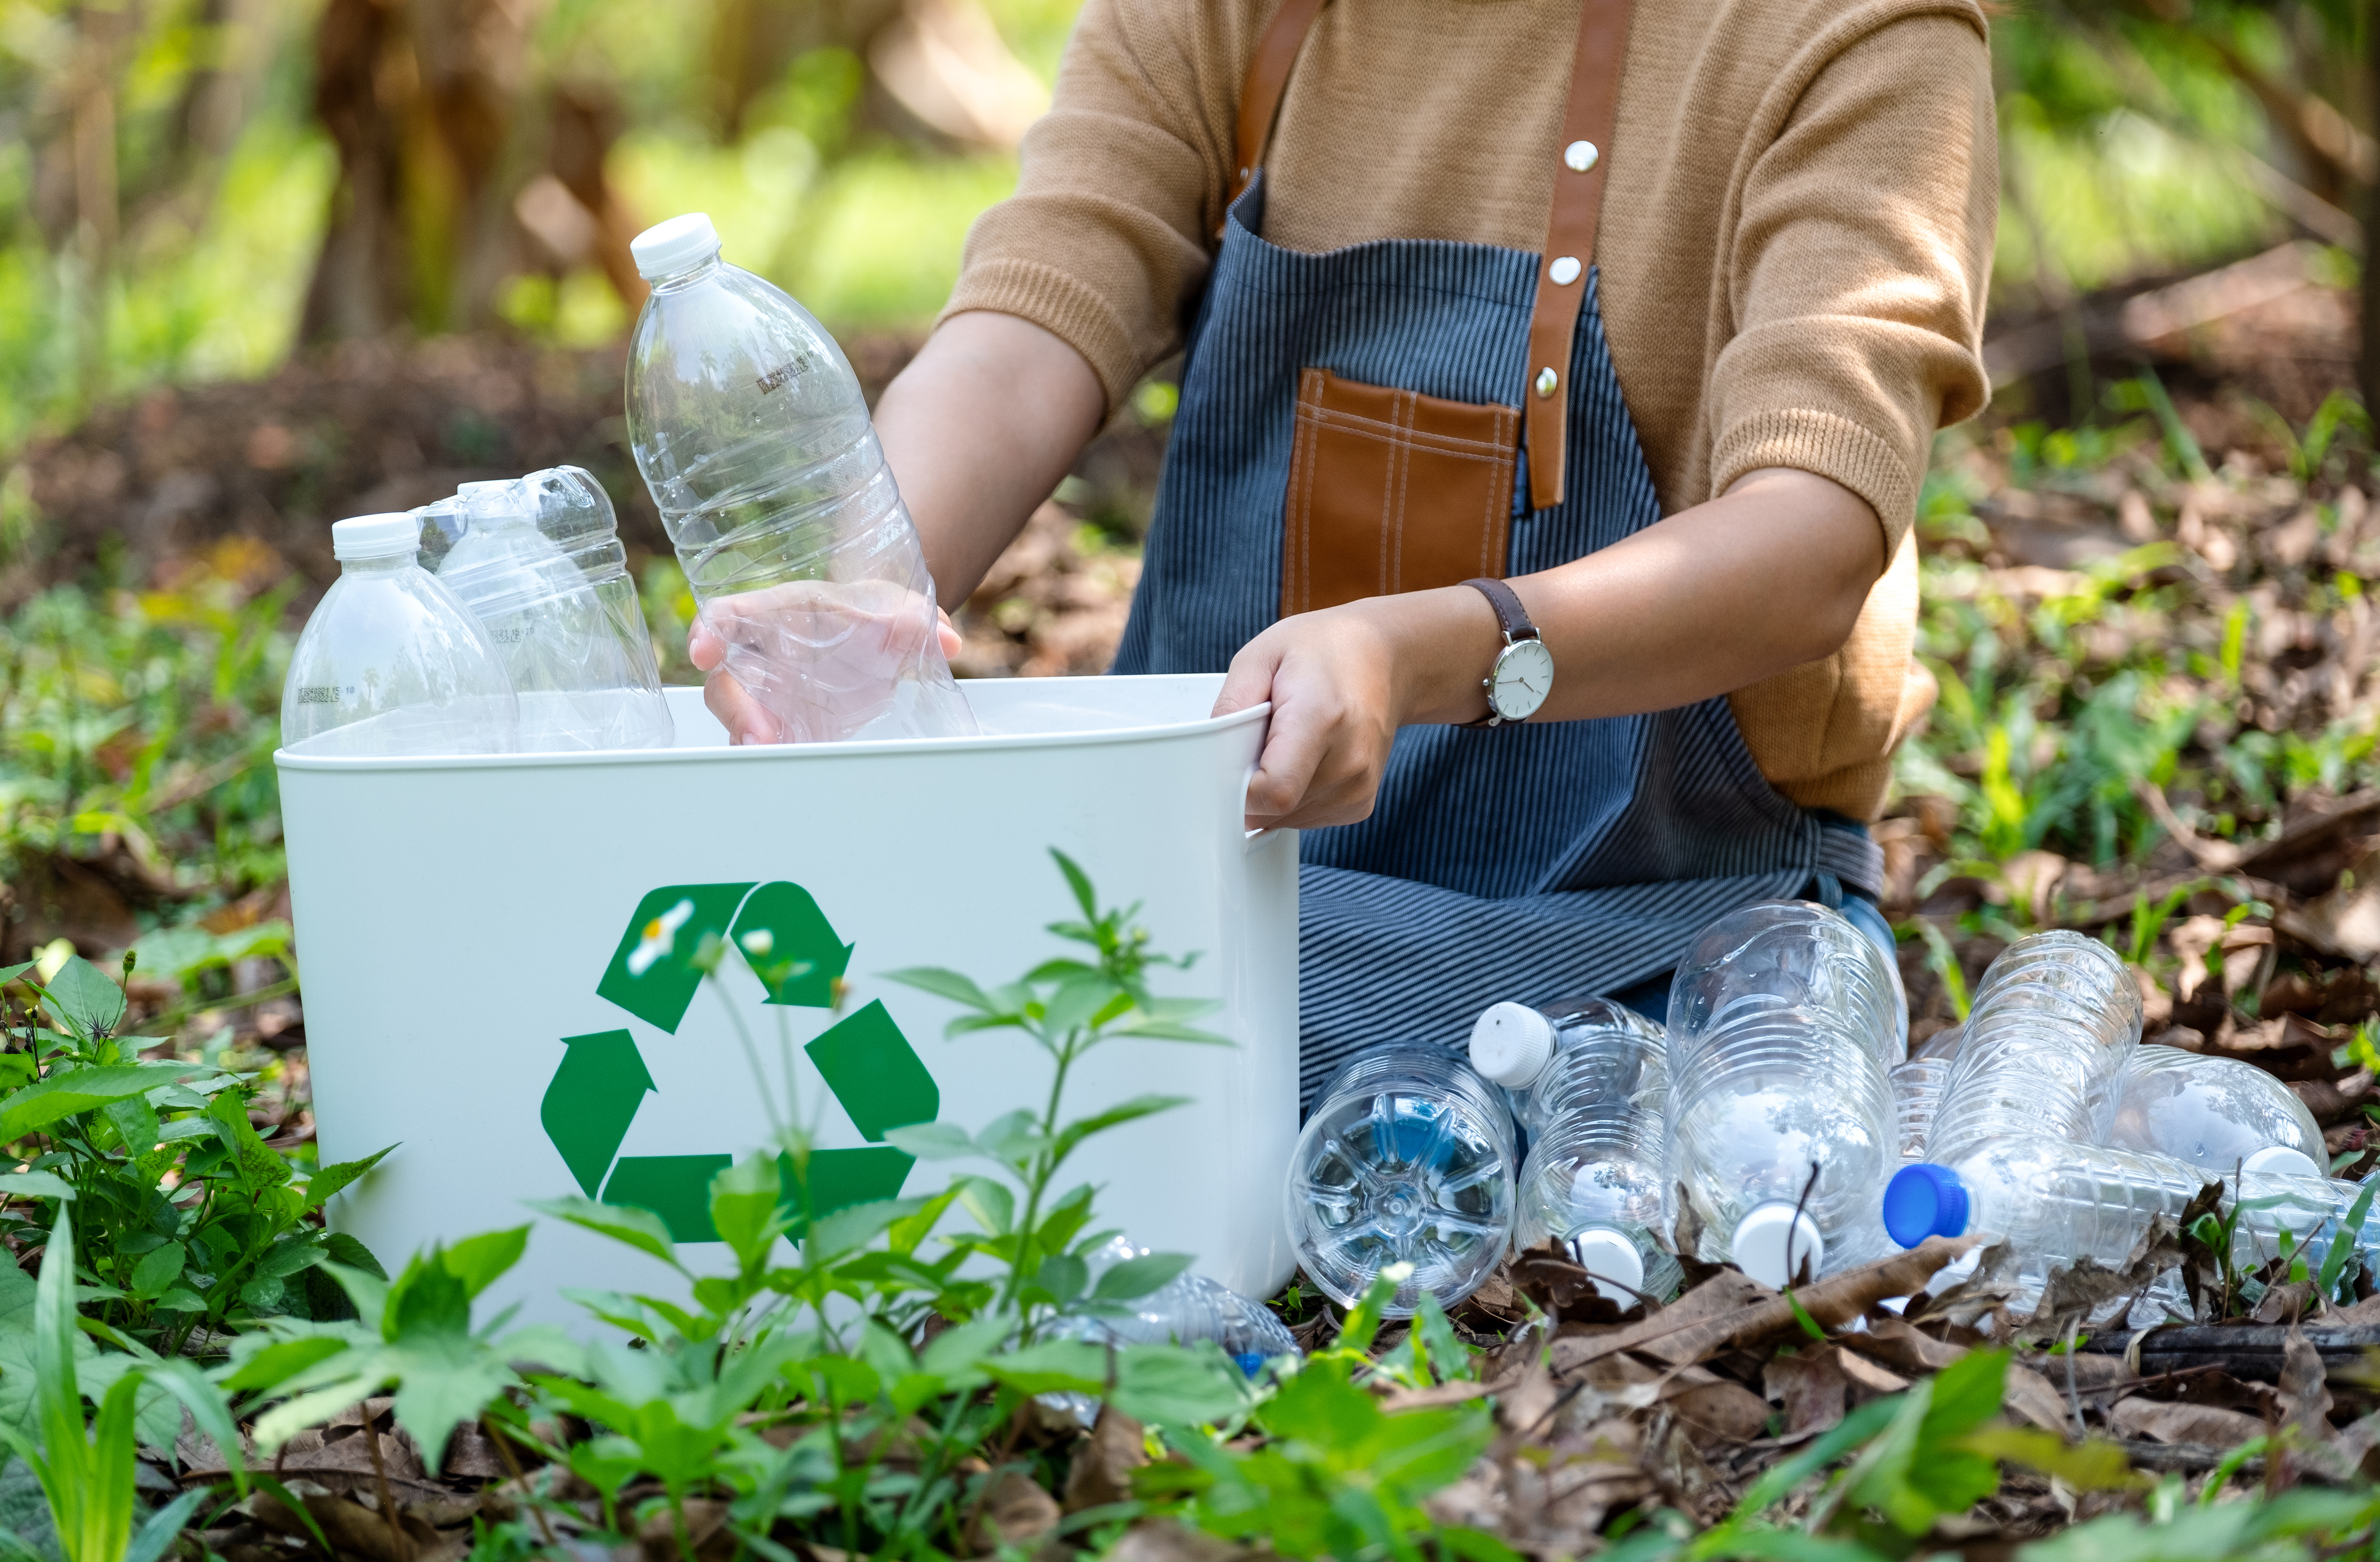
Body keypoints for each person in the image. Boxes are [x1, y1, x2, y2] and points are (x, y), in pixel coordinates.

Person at [698, 0, 1996, 1107]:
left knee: (1021, 1053)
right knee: (831, 994)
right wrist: (873, 580)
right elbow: (1041, 308)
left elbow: (1812, 538)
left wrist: (1418, 652)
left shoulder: (1848, 33)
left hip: (1649, 925)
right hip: (1226, 874)